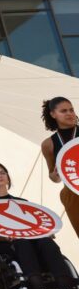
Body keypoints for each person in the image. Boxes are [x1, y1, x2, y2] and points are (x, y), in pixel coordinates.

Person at [0, 162, 79, 289]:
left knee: (47, 243)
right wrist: (6, 237)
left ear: (7, 177)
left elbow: (35, 225)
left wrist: (46, 231)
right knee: (23, 243)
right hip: (6, 243)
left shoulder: (23, 203)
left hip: (30, 239)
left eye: (2, 172)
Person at [41, 97, 79, 237]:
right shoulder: (48, 144)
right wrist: (55, 175)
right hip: (72, 195)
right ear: (53, 114)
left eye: (71, 110)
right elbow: (53, 176)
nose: (70, 113)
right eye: (64, 111)